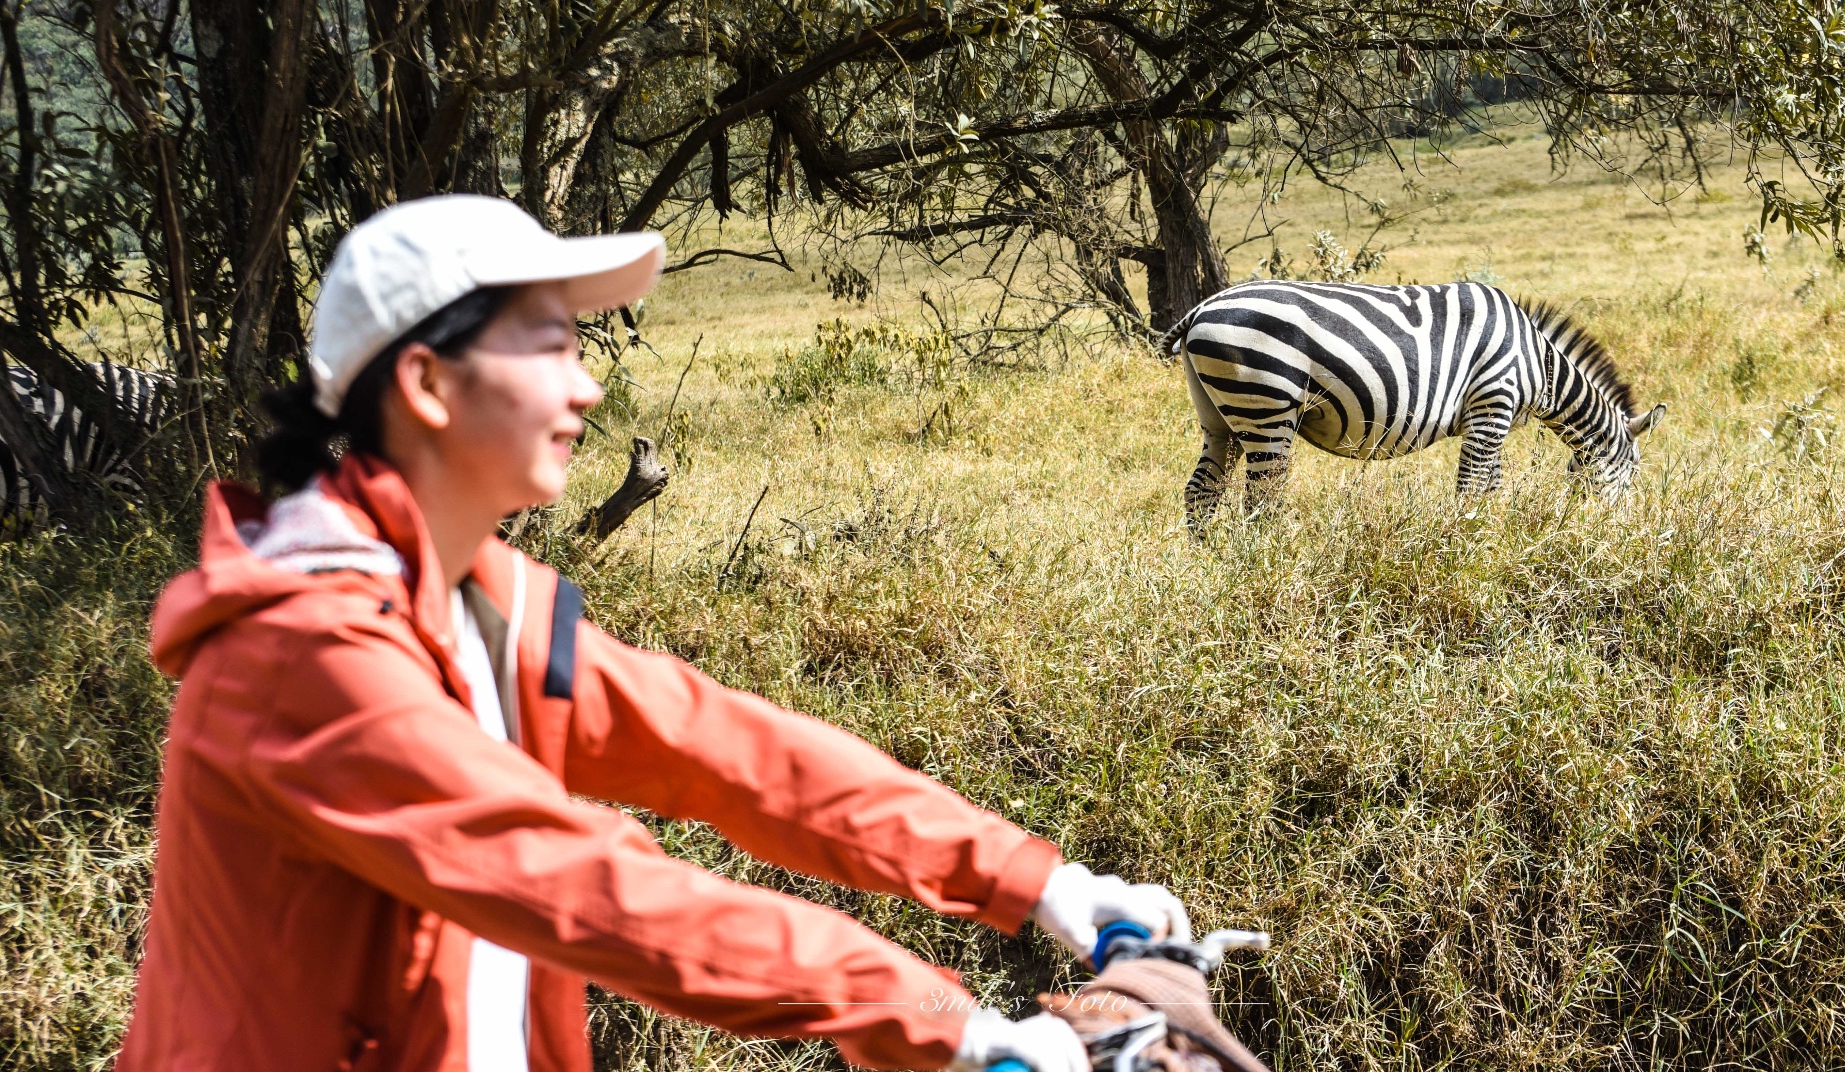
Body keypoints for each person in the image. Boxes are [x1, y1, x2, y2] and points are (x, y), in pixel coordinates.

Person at [120, 195, 1189, 1072]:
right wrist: (946, 1021)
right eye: (549, 344)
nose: (585, 383)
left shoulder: (478, 597)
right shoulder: (301, 650)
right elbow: (580, 881)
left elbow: (729, 751)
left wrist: (1044, 882)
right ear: (428, 381)